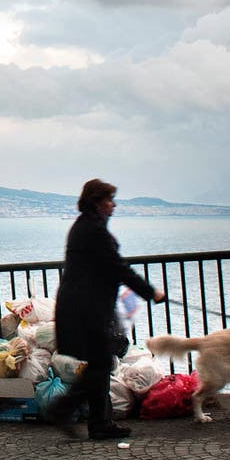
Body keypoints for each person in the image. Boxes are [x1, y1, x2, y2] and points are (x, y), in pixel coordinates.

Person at [46, 179, 165, 440]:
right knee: (99, 364)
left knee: (98, 364)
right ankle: (68, 410)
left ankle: (99, 422)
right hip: (86, 308)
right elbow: (118, 267)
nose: (114, 205)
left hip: (84, 306)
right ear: (97, 202)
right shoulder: (94, 231)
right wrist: (151, 292)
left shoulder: (86, 227)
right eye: (109, 200)